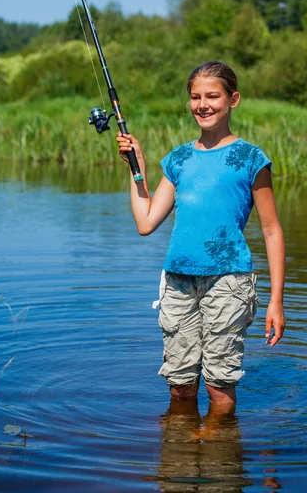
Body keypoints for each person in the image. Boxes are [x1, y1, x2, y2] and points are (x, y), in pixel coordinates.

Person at [116, 61, 285, 414]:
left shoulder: (250, 158)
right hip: (178, 280)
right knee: (179, 386)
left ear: (232, 99)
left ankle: (220, 457)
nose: (203, 105)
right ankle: (181, 451)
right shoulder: (178, 159)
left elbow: (271, 230)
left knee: (219, 385)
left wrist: (276, 302)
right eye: (195, 97)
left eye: (212, 96)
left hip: (229, 281)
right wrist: (138, 170)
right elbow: (146, 222)